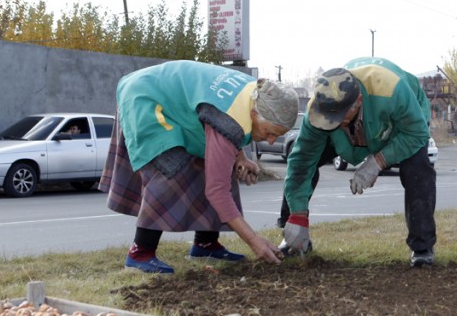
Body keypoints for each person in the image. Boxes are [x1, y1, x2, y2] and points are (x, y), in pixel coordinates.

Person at [99, 60, 299, 273]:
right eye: (269, 132)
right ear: (254, 114)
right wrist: (253, 241)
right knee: (169, 168)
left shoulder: (258, 96)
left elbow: (228, 129)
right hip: (146, 96)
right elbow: (217, 190)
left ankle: (205, 244)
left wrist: (240, 157)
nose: (270, 141)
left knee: (218, 168)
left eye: (276, 136)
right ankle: (140, 253)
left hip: (179, 100)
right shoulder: (230, 115)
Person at [278, 57, 437, 267]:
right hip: (350, 133)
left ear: (358, 102)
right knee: (302, 162)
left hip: (398, 124)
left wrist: (377, 162)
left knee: (418, 169)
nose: (330, 123)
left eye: (337, 118)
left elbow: (416, 134)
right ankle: (293, 233)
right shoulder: (319, 108)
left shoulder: (392, 92)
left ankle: (422, 247)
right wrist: (298, 214)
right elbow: (301, 162)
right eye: (327, 119)